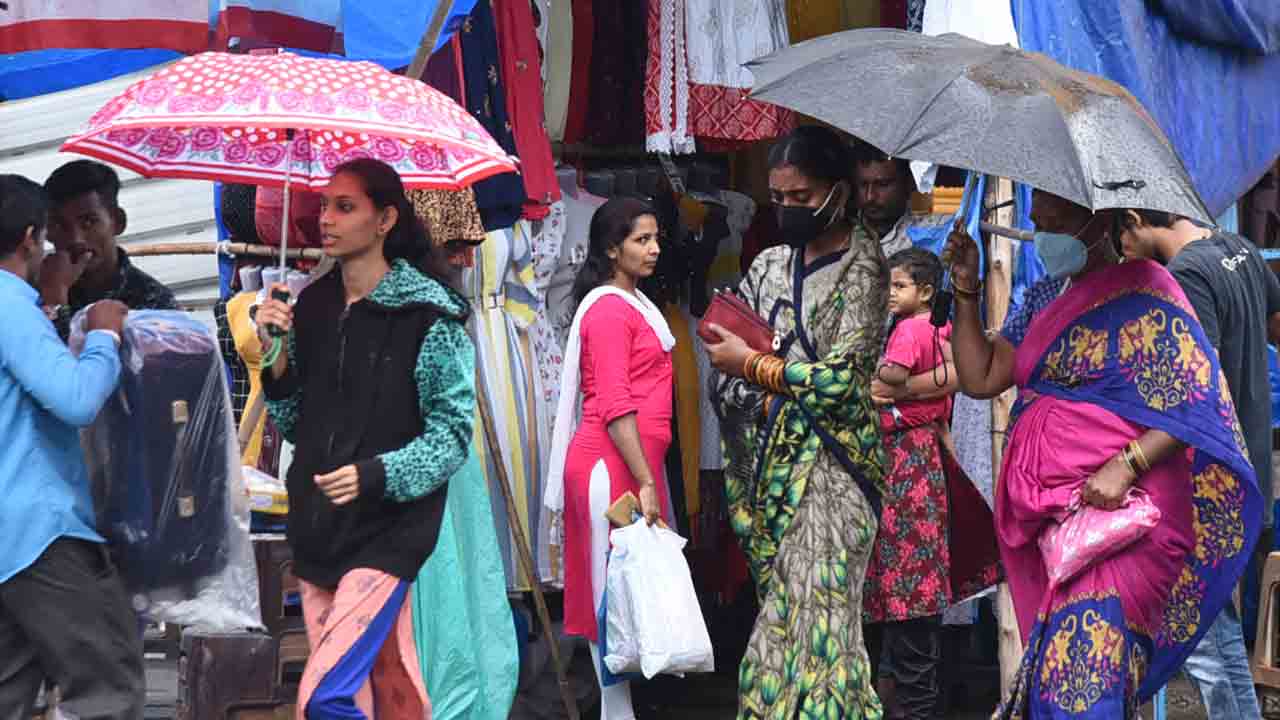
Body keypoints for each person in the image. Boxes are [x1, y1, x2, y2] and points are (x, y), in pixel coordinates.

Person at [943, 189, 1262, 717]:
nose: (1038, 222)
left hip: (1129, 519)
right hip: (1058, 521)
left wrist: (1126, 464)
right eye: (1036, 213)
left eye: (1053, 213)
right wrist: (966, 289)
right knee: (1064, 678)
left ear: (1098, 219)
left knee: (1085, 677)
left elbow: (1199, 402)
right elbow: (981, 375)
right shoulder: (1046, 297)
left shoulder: (1151, 295)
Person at [256, 158, 475, 718]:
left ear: (385, 220)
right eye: (325, 205)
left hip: (388, 533)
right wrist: (276, 359)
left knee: (325, 698)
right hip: (317, 528)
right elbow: (297, 422)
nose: (326, 219)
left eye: (345, 207)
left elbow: (451, 436)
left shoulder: (429, 315)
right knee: (381, 694)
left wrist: (376, 474)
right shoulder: (312, 306)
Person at [706, 125, 887, 719]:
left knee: (825, 635)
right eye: (779, 198)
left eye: (801, 199)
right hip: (768, 474)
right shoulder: (768, 265)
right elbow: (724, 365)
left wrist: (756, 366)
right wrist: (755, 385)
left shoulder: (864, 267)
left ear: (839, 193)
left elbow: (841, 381)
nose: (786, 209)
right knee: (779, 631)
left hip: (835, 473)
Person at [1120, 210, 1280, 719]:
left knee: (1205, 642)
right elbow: (1274, 323)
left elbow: (1197, 391)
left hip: (1209, 482)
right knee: (1220, 629)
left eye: (1117, 233)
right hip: (1248, 466)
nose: (1118, 248)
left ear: (1135, 218)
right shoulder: (1239, 249)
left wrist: (1130, 460)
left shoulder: (1187, 274)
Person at [0, 174, 144, 719]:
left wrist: (52, 305)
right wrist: (104, 335)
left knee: (9, 688)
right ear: (30, 239)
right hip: (42, 530)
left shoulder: (20, 310)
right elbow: (77, 400)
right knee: (109, 685)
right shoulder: (10, 306)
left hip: (8, 539)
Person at [543, 196, 674, 720]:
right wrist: (645, 480)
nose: (654, 249)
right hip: (610, 469)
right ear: (611, 248)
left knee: (622, 589)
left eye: (656, 238)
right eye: (642, 240)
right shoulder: (608, 311)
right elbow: (617, 405)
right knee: (607, 593)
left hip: (628, 466)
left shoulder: (634, 304)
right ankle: (614, 713)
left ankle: (618, 712)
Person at [863, 247, 960, 720]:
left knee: (905, 589)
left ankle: (907, 703)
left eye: (897, 286)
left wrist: (871, 375)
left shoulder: (908, 330)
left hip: (906, 463)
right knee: (915, 592)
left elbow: (890, 379)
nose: (889, 294)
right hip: (927, 456)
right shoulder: (941, 329)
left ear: (924, 292)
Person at [41, 160, 178, 340]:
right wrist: (53, 299)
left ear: (118, 222)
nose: (76, 239)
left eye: (88, 222)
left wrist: (55, 307)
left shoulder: (153, 302)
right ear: (48, 232)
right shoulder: (32, 293)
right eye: (61, 225)